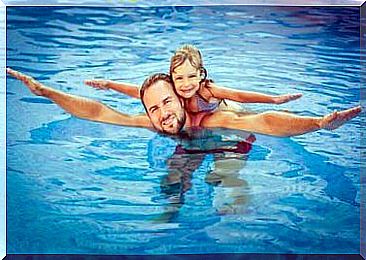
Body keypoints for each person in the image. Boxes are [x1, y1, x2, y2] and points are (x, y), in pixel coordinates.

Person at [6, 68, 362, 137]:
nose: (162, 115)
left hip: (228, 140)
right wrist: (46, 92)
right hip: (187, 150)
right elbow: (99, 111)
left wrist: (317, 123)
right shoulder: (150, 121)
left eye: (166, 104)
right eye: (154, 109)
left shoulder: (206, 119)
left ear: (181, 96)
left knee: (228, 187)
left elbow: (265, 122)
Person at [84, 44, 302, 113]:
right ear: (172, 78)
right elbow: (139, 91)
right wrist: (109, 84)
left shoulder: (207, 90)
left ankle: (280, 110)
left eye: (191, 76)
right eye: (179, 78)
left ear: (200, 74)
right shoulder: (173, 88)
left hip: (230, 110)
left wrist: (274, 100)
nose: (186, 84)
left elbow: (238, 95)